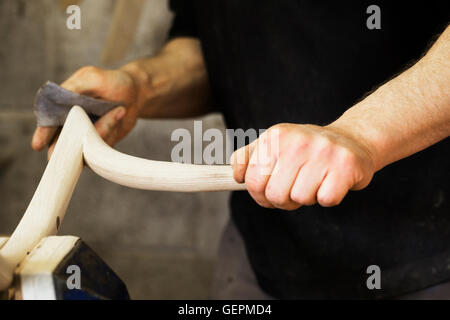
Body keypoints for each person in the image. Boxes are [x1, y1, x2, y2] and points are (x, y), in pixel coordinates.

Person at [32, 1, 449, 299]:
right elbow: (208, 44)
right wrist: (141, 84)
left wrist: (361, 134)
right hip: (261, 251)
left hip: (426, 254)